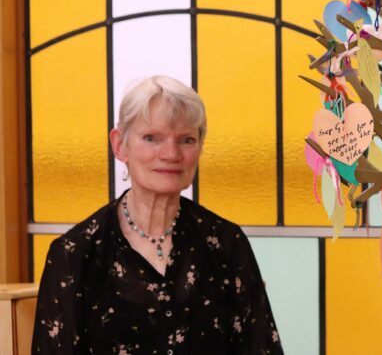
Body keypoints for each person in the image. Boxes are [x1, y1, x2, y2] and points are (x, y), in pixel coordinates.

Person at [32, 76, 283, 354]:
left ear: (200, 147)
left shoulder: (226, 242)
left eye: (186, 140)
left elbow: (261, 347)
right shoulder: (75, 253)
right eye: (152, 138)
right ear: (120, 145)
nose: (171, 153)